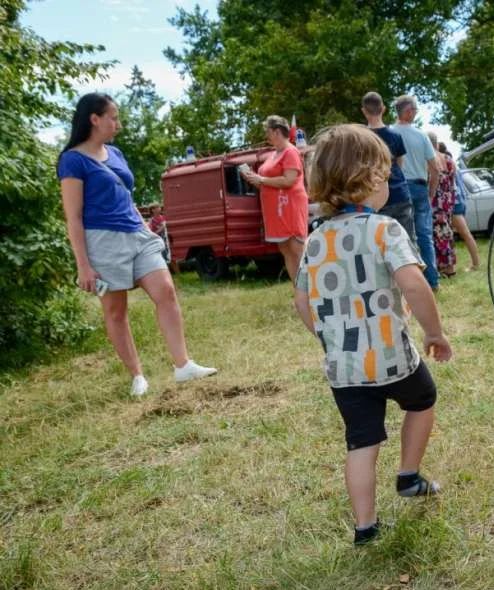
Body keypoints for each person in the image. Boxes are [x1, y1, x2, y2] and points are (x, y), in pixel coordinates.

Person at [297, 124, 453, 546]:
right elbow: (415, 286)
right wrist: (434, 333)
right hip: (390, 356)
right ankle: (407, 476)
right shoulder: (385, 230)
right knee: (422, 400)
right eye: (385, 176)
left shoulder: (314, 241)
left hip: (343, 367)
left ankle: (365, 528)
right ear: (367, 181)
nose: (388, 184)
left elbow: (302, 301)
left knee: (361, 442)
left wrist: (328, 336)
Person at [57, 93, 216, 397]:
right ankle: (137, 376)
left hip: (136, 234)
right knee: (116, 311)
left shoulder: (116, 154)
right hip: (102, 240)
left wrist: (146, 229)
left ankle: (183, 366)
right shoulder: (72, 160)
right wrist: (83, 265)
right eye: (113, 117)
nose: (118, 123)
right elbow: (73, 217)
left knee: (166, 292)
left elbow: (126, 198)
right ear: (95, 119)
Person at [239, 115, 308, 281]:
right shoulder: (273, 154)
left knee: (297, 251)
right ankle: (298, 288)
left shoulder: (291, 152)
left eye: (268, 131)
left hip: (289, 206)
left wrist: (261, 179)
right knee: (286, 252)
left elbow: (289, 180)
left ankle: (311, 292)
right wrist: (253, 178)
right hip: (274, 211)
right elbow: (267, 184)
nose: (266, 135)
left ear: (277, 131)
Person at [391, 95, 441, 291]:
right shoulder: (421, 136)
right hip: (420, 188)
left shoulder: (389, 133)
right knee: (424, 236)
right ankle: (432, 282)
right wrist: (431, 193)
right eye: (416, 110)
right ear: (409, 111)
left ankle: (407, 284)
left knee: (401, 238)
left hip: (398, 189)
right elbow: (435, 169)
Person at [360, 91, 414, 242]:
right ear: (383, 109)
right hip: (400, 194)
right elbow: (400, 164)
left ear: (364, 111)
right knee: (408, 242)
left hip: (376, 198)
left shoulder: (361, 139)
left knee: (381, 244)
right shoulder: (395, 136)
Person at [442, 143, 481, 271]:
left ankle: (475, 264)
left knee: (464, 233)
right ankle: (469, 264)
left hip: (453, 203)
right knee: (459, 234)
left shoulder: (446, 164)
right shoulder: (454, 164)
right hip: (459, 201)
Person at [427, 132, 457, 277]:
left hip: (435, 200)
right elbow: (453, 179)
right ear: (437, 143)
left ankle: (445, 267)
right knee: (447, 232)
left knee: (438, 234)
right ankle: (449, 266)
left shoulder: (430, 158)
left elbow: (431, 178)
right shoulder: (448, 158)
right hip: (448, 199)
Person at [147, 204, 179, 274]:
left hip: (168, 240)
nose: (160, 208)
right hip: (160, 241)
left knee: (172, 257)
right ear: (153, 210)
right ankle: (167, 274)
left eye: (159, 207)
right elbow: (152, 233)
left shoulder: (164, 217)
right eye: (157, 207)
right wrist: (161, 229)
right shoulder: (152, 221)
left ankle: (178, 273)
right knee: (164, 258)